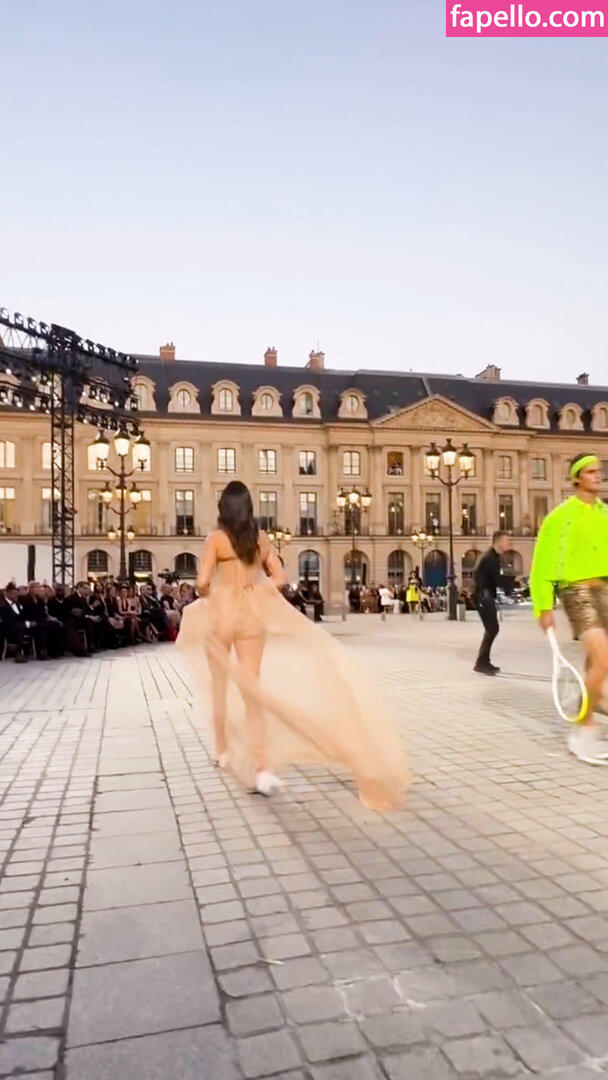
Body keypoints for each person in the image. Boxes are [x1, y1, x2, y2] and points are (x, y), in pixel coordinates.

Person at [176, 480, 407, 808]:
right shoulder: (260, 539)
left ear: (223, 508)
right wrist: (256, 591)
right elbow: (281, 578)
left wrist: (210, 591)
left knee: (219, 685)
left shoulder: (215, 539)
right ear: (249, 508)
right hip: (252, 616)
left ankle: (222, 750)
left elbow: (201, 582)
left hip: (222, 615)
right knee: (252, 691)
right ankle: (263, 767)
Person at [530, 453, 608, 764]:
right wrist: (543, 606)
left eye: (599, 471)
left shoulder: (605, 513)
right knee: (604, 659)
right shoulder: (560, 517)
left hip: (605, 589)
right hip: (576, 591)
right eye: (590, 472)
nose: (597, 476)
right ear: (576, 478)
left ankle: (591, 704)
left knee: (595, 663)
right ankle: (582, 728)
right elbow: (542, 563)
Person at [473, 531, 512, 675]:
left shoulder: (492, 557)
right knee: (492, 629)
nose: (508, 543)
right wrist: (510, 587)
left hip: (485, 597)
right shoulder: (490, 558)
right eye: (506, 541)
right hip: (483, 597)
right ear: (498, 542)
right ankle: (481, 663)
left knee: (492, 629)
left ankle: (483, 662)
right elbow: (498, 579)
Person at [0, 583, 29, 662]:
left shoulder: (18, 604)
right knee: (20, 629)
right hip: (7, 629)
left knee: (38, 626)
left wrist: (27, 623)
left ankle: (42, 650)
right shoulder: (2, 605)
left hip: (18, 626)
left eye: (16, 593)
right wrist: (25, 624)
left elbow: (22, 617)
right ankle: (18, 654)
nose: (16, 596)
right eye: (13, 594)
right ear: (7, 593)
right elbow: (8, 621)